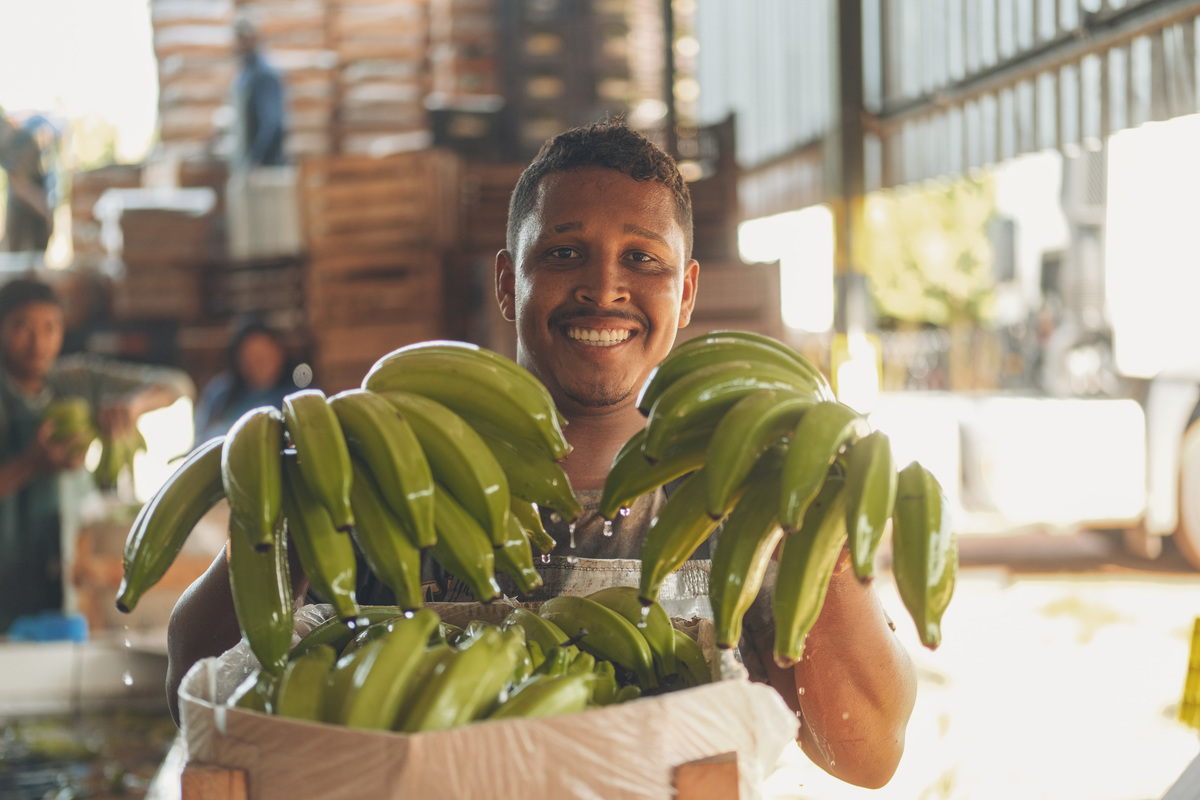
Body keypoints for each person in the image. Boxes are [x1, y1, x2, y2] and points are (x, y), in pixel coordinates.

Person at [166, 122, 915, 789]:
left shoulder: (739, 499)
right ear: (506, 280)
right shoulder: (396, 481)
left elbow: (867, 754)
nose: (603, 287)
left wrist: (820, 527)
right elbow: (194, 693)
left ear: (686, 294)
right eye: (563, 253)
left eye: (642, 259)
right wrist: (292, 504)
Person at [0, 278, 195, 633]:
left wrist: (133, 406)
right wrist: (31, 464)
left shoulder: (75, 381)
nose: (38, 343)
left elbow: (178, 385)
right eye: (22, 327)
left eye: (50, 328)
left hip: (63, 574)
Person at [193, 317, 302, 443]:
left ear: (280, 353)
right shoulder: (221, 392)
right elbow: (201, 436)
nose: (258, 364)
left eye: (264, 355)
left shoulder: (295, 396)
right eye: (250, 356)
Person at [230, 16, 287, 170]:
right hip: (246, 163)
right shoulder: (245, 73)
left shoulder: (264, 74)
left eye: (240, 39)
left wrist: (257, 158)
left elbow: (272, 122)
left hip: (264, 168)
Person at [0, 110, 53, 254]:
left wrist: (44, 210)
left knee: (34, 256)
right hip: (22, 207)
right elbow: (18, 184)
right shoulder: (5, 147)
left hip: (36, 203)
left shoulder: (24, 138)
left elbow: (22, 184)